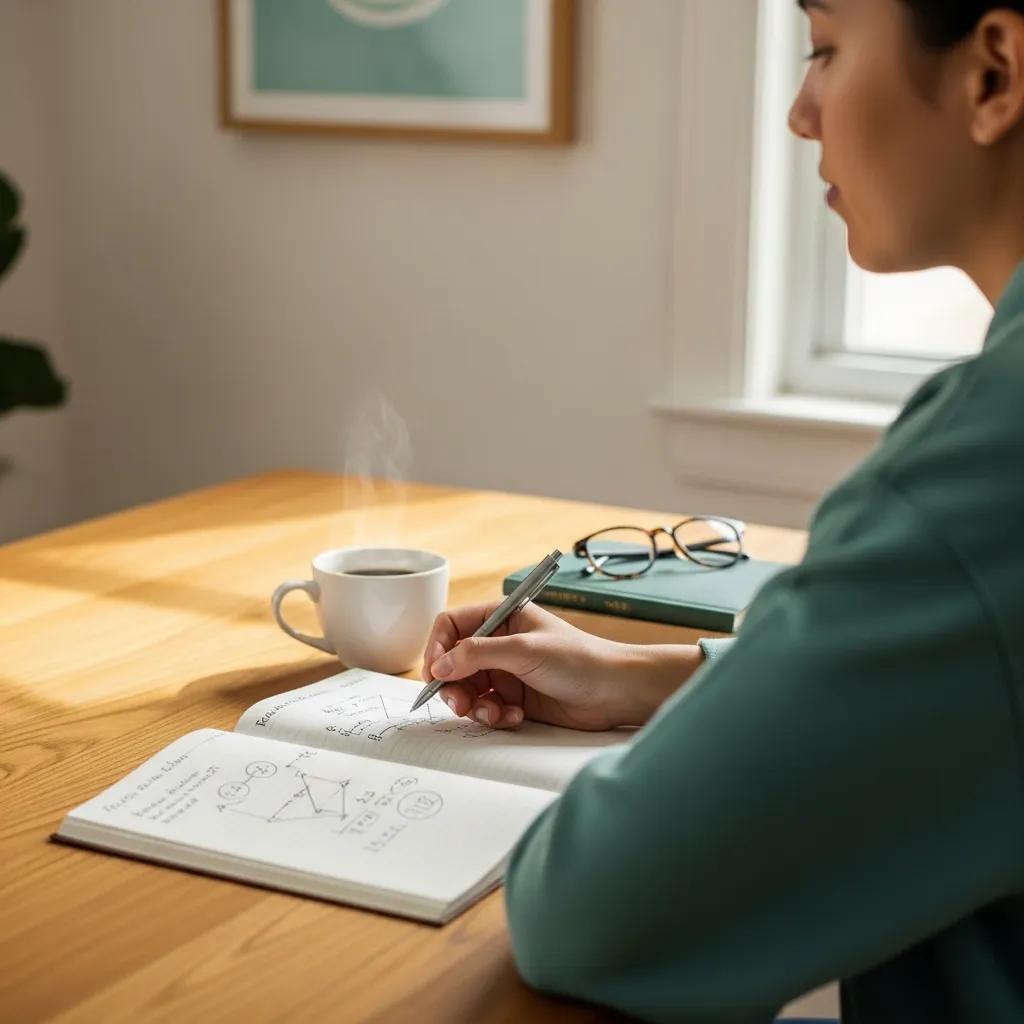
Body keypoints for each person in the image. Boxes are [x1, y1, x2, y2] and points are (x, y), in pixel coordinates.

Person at [419, 1, 1024, 1021]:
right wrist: (651, 678)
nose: (799, 112)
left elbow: (592, 908)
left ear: (994, 73)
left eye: (825, 49)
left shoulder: (986, 463)